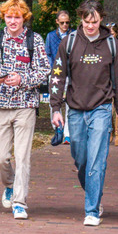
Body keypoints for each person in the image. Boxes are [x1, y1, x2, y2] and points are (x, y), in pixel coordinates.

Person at [50, 0, 118, 227]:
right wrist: (55, 107)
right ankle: (94, 192)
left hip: (101, 108)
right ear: (80, 18)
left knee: (96, 161)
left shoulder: (113, 44)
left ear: (101, 19)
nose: (90, 26)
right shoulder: (69, 42)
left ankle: (91, 209)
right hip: (75, 109)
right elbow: (57, 75)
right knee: (81, 159)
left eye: (94, 21)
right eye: (86, 21)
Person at [0, 0, 50, 220]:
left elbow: (44, 70)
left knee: (23, 156)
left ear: (24, 18)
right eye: (9, 16)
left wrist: (22, 78)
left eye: (16, 17)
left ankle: (20, 202)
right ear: (4, 17)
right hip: (0, 105)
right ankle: (9, 184)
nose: (12, 21)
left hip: (26, 105)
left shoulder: (34, 40)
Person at [46, 10, 72, 140]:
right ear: (57, 22)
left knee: (69, 102)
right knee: (55, 101)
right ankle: (58, 128)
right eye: (62, 22)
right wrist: (52, 69)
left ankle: (68, 132)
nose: (65, 25)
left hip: (70, 73)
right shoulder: (51, 36)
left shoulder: (74, 35)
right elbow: (48, 54)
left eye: (67, 22)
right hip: (55, 74)